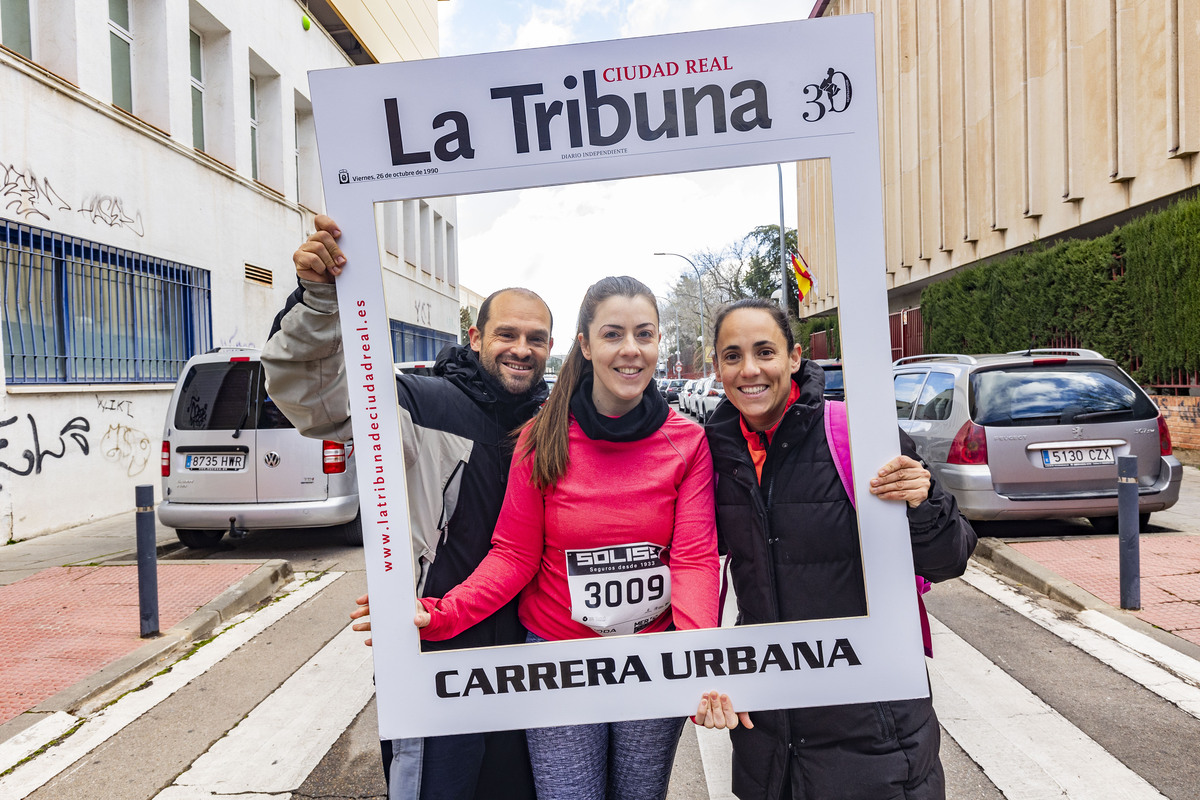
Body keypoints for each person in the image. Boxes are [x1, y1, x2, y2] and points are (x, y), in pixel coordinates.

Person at [260, 214, 550, 800]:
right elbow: (311, 398)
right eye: (507, 334)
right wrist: (319, 302)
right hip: (433, 656)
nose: (521, 349)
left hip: (530, 660)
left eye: (536, 338)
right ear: (475, 336)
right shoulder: (416, 403)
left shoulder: (555, 425)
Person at [415, 276, 724, 800]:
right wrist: (441, 613)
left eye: (645, 334)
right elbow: (513, 555)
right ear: (585, 345)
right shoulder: (542, 437)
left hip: (651, 662)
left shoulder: (687, 440)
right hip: (558, 661)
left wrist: (700, 657)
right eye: (613, 334)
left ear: (657, 343)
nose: (631, 350)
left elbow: (694, 560)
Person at [703, 298, 977, 800]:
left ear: (794, 357)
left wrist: (924, 501)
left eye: (765, 351)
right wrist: (708, 672)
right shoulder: (715, 455)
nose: (750, 370)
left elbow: (950, 557)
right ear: (716, 365)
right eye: (732, 355)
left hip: (873, 740)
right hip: (769, 747)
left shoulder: (858, 433)